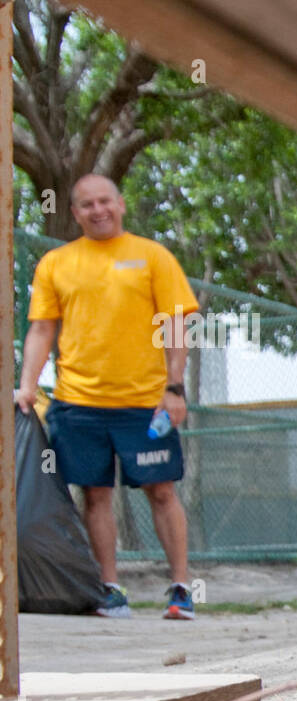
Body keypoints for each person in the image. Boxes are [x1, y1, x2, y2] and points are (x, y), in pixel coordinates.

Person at [15, 174, 199, 620]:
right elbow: (42, 329)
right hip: (78, 403)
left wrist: (174, 388)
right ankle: (110, 589)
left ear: (120, 204)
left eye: (105, 201)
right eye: (87, 205)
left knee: (161, 491)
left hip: (146, 404)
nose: (98, 210)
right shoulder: (55, 264)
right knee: (94, 495)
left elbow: (177, 324)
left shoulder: (152, 256)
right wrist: (27, 384)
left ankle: (180, 589)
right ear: (74, 213)